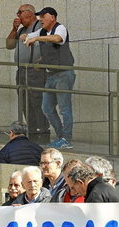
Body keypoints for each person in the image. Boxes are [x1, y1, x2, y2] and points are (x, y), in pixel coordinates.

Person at [25, 7, 75, 150]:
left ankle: (67, 138)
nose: (40, 19)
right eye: (39, 17)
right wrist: (25, 37)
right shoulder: (41, 31)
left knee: (65, 108)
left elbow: (58, 39)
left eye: (43, 16)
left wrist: (36, 38)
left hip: (64, 73)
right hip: (51, 74)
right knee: (46, 107)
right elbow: (28, 36)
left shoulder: (60, 28)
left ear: (52, 17)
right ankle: (61, 137)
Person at [5, 4, 48, 140]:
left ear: (29, 13)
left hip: (35, 72)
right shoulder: (21, 29)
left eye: (20, 13)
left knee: (36, 102)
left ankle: (42, 131)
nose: (18, 15)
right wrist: (14, 29)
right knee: (24, 102)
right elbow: (9, 45)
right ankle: (32, 130)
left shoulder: (39, 28)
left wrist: (41, 61)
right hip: (22, 71)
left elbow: (49, 45)